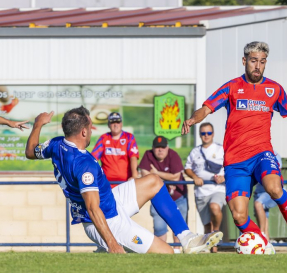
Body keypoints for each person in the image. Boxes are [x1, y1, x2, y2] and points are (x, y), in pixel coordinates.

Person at [181, 41, 287, 254]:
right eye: (254, 61)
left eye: (262, 62)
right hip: (236, 161)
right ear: (244, 61)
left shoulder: (273, 89)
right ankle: (263, 244)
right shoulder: (232, 87)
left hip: (261, 153)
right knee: (239, 216)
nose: (258, 66)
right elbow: (206, 108)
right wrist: (193, 119)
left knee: (275, 188)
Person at [25, 106, 222, 254]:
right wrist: (112, 244)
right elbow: (93, 209)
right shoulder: (84, 164)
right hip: (107, 220)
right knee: (167, 254)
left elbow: (30, 152)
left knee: (153, 181)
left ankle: (186, 237)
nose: (93, 130)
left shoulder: (57, 143)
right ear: (83, 132)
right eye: (90, 126)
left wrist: (38, 124)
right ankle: (108, 246)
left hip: (111, 200)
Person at [138, 136, 188, 252]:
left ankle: (177, 251)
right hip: (158, 199)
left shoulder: (173, 155)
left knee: (179, 227)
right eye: (157, 147)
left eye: (163, 147)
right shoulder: (148, 155)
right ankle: (162, 252)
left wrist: (155, 174)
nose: (160, 150)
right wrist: (165, 178)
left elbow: (175, 177)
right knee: (159, 227)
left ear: (167, 147)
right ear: (153, 148)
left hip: (178, 196)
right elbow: (145, 175)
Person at [184, 122, 226, 253]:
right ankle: (210, 249)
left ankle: (216, 231)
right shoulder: (195, 151)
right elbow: (187, 168)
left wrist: (224, 177)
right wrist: (195, 177)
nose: (206, 136)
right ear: (200, 135)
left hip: (217, 189)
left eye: (208, 133)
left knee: (215, 207)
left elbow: (232, 167)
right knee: (206, 225)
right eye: (203, 133)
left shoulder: (221, 149)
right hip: (201, 192)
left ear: (213, 134)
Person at [91, 112, 139, 188]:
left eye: (118, 122)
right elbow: (93, 158)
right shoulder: (104, 138)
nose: (115, 124)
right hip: (107, 183)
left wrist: (134, 175)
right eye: (113, 122)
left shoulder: (129, 137)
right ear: (109, 125)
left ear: (121, 123)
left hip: (125, 182)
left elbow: (133, 157)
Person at [253, 152, 282, 241]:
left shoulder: (274, 154)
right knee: (264, 219)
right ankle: (266, 243)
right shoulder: (254, 154)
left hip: (271, 191)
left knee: (258, 204)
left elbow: (275, 172)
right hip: (259, 191)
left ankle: (261, 234)